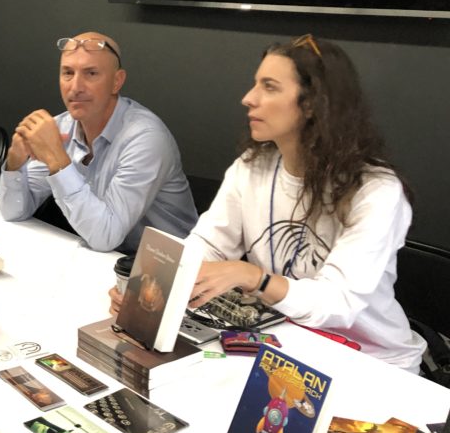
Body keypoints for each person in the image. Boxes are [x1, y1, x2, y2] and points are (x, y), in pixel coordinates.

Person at [180, 34, 425, 370]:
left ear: (312, 104)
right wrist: (153, 286)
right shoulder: (252, 167)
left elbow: (337, 303)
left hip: (371, 363)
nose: (248, 99)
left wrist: (255, 278)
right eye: (255, 85)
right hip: (287, 343)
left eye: (269, 87)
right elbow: (208, 244)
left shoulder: (376, 190)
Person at [0, 32, 198, 253]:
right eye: (67, 73)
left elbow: (106, 236)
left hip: (169, 270)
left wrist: (56, 158)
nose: (75, 87)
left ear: (116, 81)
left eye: (91, 73)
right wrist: (15, 162)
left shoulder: (146, 138)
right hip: (105, 258)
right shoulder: (61, 127)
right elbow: (13, 212)